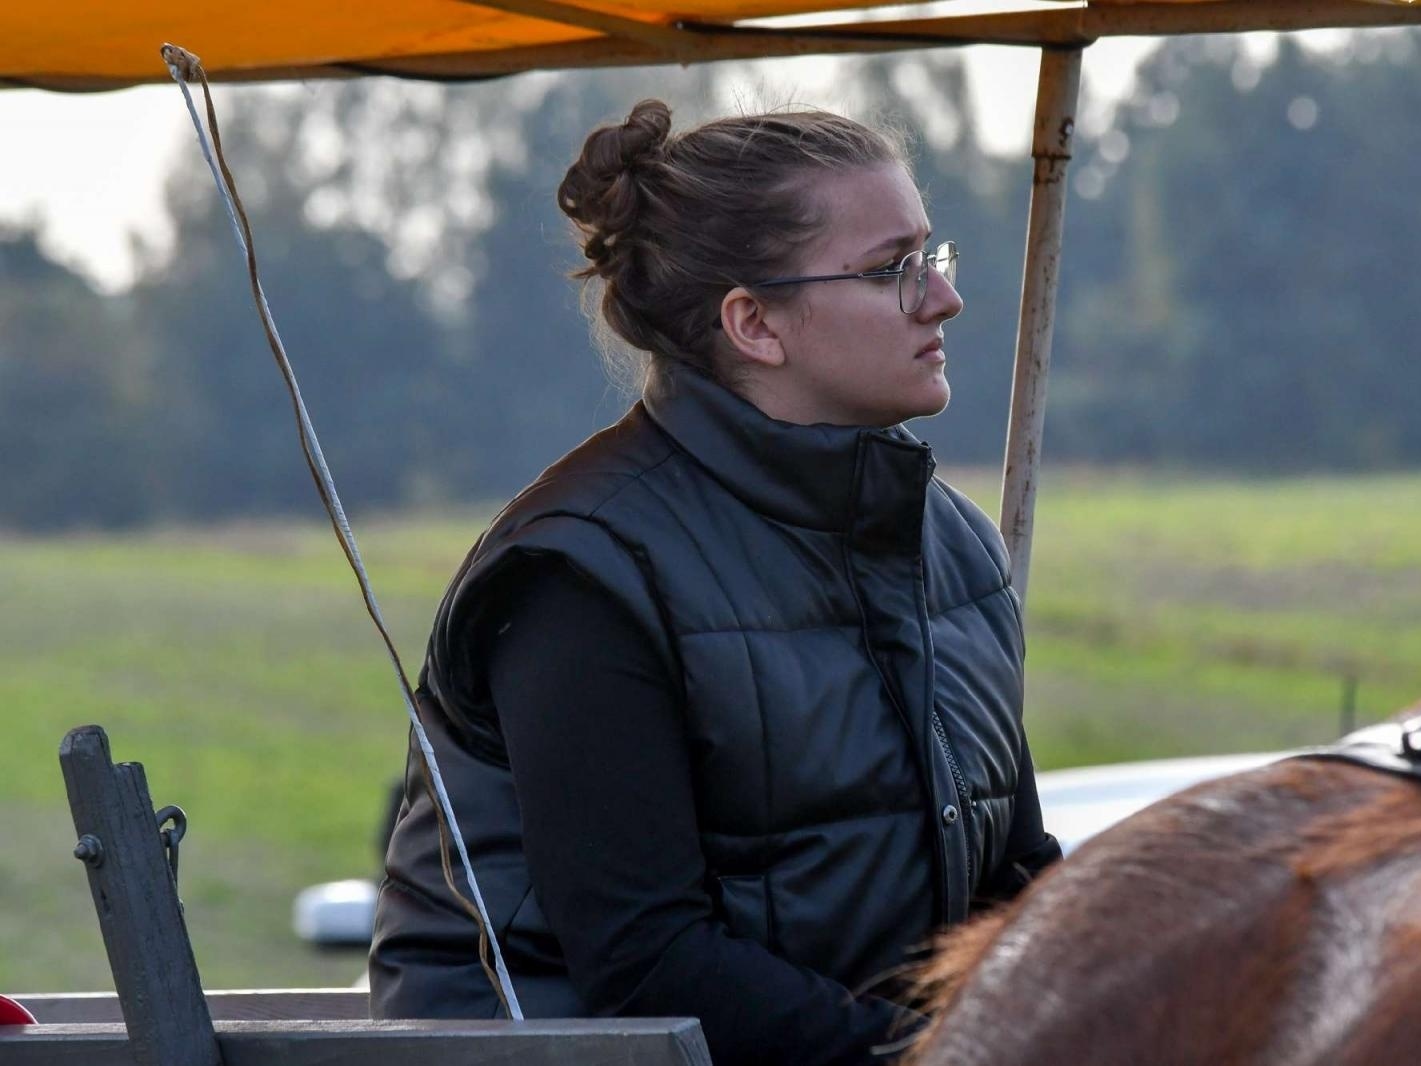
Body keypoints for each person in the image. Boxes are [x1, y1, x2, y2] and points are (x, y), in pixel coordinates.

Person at [368, 98, 1060, 1065]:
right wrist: (943, 1056)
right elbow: (649, 966)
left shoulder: (954, 548)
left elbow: (1015, 876)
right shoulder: (582, 574)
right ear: (755, 324)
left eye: (930, 257)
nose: (940, 299)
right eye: (889, 270)